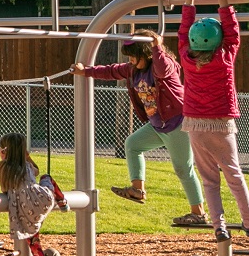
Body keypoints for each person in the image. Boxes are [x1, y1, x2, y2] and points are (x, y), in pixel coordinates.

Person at [71, 30, 206, 227]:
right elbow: (111, 71)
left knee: (183, 168)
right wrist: (86, 71)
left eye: (135, 56)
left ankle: (199, 213)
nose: (132, 60)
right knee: (133, 144)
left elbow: (163, 68)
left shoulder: (163, 65)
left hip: (178, 124)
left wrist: (156, 46)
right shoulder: (133, 69)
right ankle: (137, 189)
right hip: (159, 126)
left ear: (147, 53)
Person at [179, 0, 249, 242]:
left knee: (210, 180)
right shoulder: (224, 58)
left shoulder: (186, 58)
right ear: (218, 40)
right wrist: (225, 4)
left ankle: (219, 227)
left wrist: (188, 4)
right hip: (221, 123)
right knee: (234, 174)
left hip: (195, 124)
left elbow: (182, 33)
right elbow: (234, 34)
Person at [0, 133, 61, 256]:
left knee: (33, 241)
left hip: (23, 208)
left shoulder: (4, 168)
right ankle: (62, 200)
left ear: (5, 151)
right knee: (47, 177)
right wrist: (28, 157)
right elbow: (38, 171)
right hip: (41, 200)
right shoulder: (27, 166)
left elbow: (4, 188)